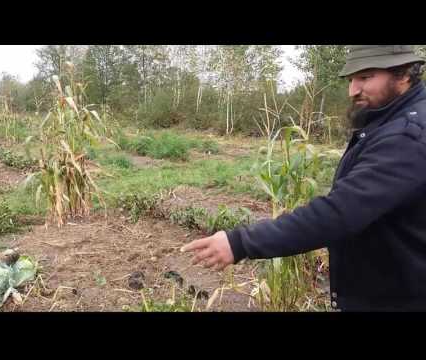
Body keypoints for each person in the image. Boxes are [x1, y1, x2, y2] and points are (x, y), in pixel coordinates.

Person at [181, 45, 426, 311]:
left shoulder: (407, 137)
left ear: (403, 75)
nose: (353, 90)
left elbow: (340, 213)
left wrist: (239, 242)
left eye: (365, 77)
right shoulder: (391, 122)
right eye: (351, 79)